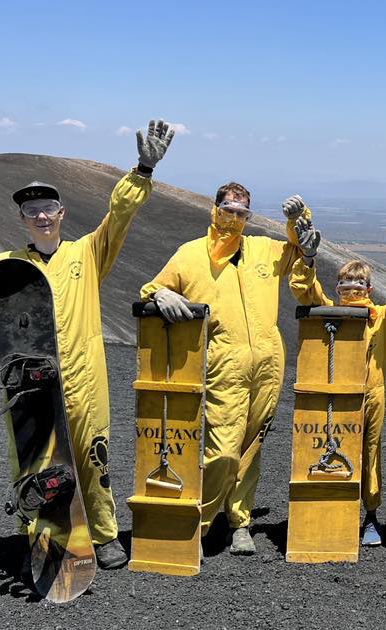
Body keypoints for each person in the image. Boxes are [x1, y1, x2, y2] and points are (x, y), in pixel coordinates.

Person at [0, 119, 177, 572]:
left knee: (94, 457)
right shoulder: (1, 270)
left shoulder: (87, 255)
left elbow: (119, 217)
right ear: (22, 219)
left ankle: (105, 534)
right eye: (32, 211)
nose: (41, 216)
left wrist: (143, 170)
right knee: (36, 460)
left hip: (84, 382)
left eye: (48, 207)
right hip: (29, 389)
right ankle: (41, 537)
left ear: (61, 213)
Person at [139, 184, 321, 555]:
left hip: (269, 360)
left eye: (241, 212)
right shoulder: (190, 255)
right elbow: (153, 287)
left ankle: (240, 521)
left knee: (252, 445)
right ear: (214, 209)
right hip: (224, 360)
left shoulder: (262, 249)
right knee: (222, 448)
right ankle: (199, 521)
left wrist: (301, 224)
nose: (234, 217)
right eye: (228, 209)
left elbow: (299, 257)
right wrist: (160, 294)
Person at [288, 232, 386, 546]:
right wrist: (307, 260)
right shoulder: (328, 314)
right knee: (329, 447)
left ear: (370, 289)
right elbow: (303, 290)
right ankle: (330, 509)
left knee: (370, 453)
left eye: (358, 286)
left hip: (372, 394)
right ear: (337, 289)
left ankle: (371, 516)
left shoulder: (382, 318)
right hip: (333, 395)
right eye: (345, 286)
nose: (351, 291)